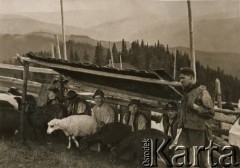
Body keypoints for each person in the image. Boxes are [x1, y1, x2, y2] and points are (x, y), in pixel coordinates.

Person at [177, 67, 214, 168]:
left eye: (183, 78)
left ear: (191, 77)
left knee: (201, 160)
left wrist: (196, 107)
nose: (180, 81)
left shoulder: (202, 92)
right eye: (180, 78)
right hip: (186, 129)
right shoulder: (185, 92)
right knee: (180, 156)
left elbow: (210, 113)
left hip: (198, 131)